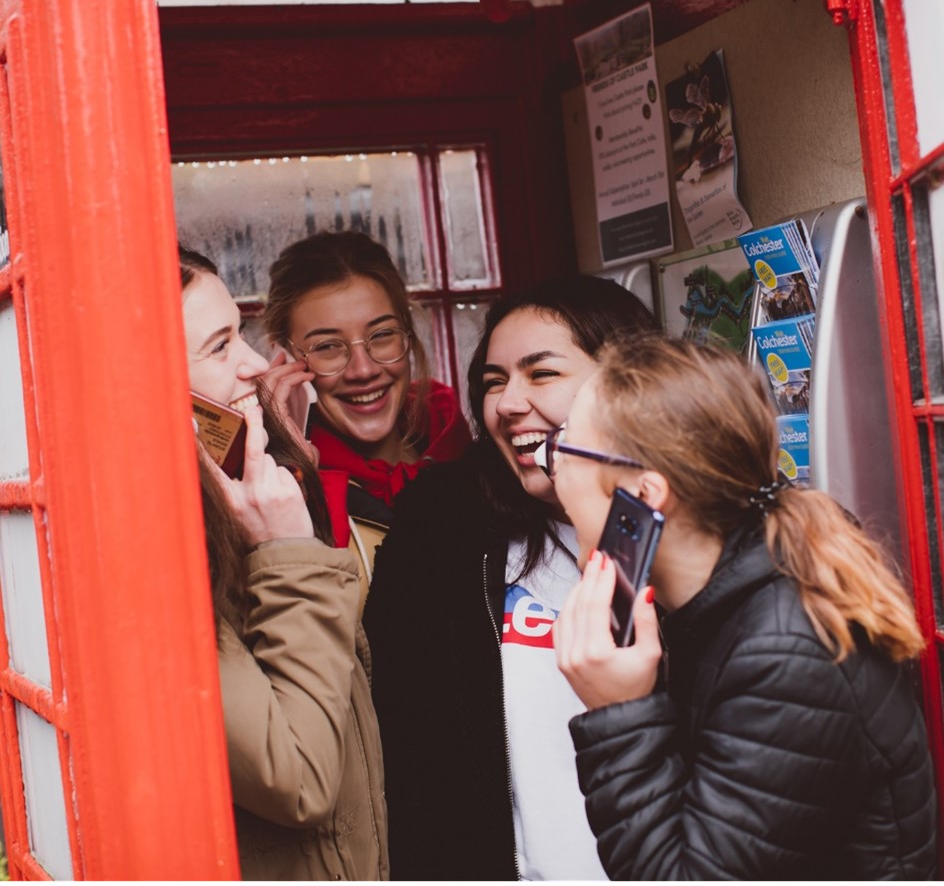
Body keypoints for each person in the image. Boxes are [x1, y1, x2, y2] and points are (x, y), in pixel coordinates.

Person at [552, 335, 938, 880]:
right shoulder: (705, 605)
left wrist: (618, 716)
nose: (556, 469)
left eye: (567, 446)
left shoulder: (785, 652)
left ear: (644, 492)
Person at [362, 276, 658, 880]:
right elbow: (407, 750)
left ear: (628, 381)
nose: (506, 403)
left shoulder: (683, 533)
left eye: (541, 373)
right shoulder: (441, 531)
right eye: (493, 381)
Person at [180, 247, 389, 880]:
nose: (253, 365)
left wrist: (290, 461)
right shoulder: (165, 552)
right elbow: (299, 777)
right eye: (219, 348)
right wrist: (288, 551)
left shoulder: (232, 499)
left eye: (240, 333)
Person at [263, 231, 471, 606]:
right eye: (327, 346)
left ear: (408, 334)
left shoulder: (473, 457)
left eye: (382, 335)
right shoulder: (274, 495)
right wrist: (288, 462)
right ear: (281, 357)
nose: (363, 370)